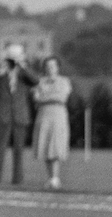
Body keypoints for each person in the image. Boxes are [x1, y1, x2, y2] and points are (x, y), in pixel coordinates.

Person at [0, 42, 38, 185]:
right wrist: (1, 70)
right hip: (2, 115)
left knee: (19, 150)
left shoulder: (24, 71)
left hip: (20, 115)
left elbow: (35, 81)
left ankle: (18, 179)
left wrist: (23, 65)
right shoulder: (0, 70)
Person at [32, 55, 72, 190]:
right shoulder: (40, 82)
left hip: (58, 116)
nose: (50, 69)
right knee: (45, 147)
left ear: (58, 67)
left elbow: (62, 98)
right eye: (47, 66)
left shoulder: (64, 81)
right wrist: (48, 97)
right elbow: (36, 98)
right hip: (43, 117)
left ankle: (55, 178)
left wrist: (45, 97)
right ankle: (52, 178)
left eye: (53, 66)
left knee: (55, 147)